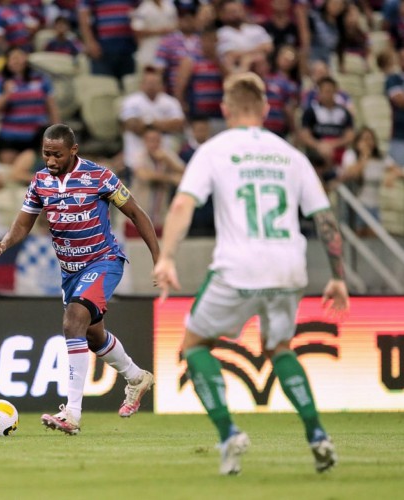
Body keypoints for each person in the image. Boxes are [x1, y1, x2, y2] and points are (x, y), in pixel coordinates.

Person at [153, 72, 350, 475]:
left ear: (225, 110)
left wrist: (167, 256)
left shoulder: (214, 149)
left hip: (239, 269)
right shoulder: (291, 154)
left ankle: (228, 434)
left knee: (193, 345)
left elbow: (181, 205)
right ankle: (317, 435)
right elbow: (325, 219)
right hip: (289, 267)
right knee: (280, 348)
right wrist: (338, 276)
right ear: (265, 110)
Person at [0, 123, 160, 434]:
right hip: (70, 271)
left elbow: (136, 214)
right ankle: (136, 377)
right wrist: (4, 242)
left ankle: (72, 413)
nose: (50, 160)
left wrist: (160, 259)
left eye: (57, 154)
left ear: (73, 151)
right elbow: (23, 224)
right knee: (93, 336)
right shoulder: (40, 182)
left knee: (73, 321)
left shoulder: (100, 177)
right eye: (46, 154)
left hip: (104, 261)